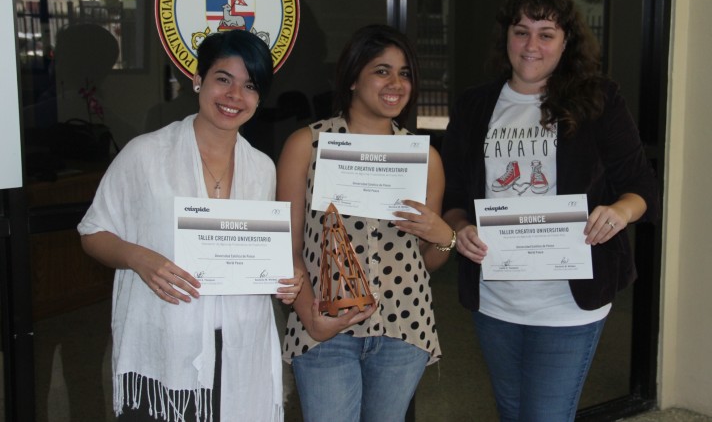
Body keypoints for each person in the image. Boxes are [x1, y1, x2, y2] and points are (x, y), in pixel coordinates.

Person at [441, 0, 660, 422]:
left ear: (567, 42)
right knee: (512, 412)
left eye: (546, 33)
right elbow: (455, 195)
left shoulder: (598, 100)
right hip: (495, 297)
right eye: (521, 31)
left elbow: (641, 188)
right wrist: (459, 227)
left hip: (568, 300)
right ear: (506, 36)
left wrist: (618, 212)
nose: (531, 45)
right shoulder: (475, 105)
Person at [78, 29, 303, 422]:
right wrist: (138, 258)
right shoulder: (146, 155)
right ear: (197, 80)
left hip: (239, 348)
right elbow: (93, 232)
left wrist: (288, 277)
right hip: (164, 345)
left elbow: (262, 253)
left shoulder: (263, 168)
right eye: (223, 79)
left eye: (249, 86)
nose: (235, 96)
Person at [278, 24, 455, 422]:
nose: (396, 83)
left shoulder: (423, 159)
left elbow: (427, 261)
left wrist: (445, 238)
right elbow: (285, 251)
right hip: (326, 323)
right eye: (382, 70)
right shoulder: (307, 145)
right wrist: (310, 318)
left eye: (405, 73)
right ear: (353, 78)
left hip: (403, 326)